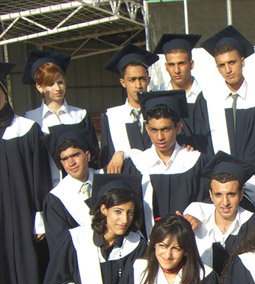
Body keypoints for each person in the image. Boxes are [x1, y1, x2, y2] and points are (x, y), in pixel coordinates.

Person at [1, 62, 52, 284]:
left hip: (21, 217)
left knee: (25, 272)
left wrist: (39, 218)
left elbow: (39, 178)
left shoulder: (25, 130)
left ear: (5, 93)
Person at [195, 25, 255, 185]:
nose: (228, 70)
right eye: (222, 65)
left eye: (232, 62)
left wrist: (245, 177)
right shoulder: (207, 99)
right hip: (220, 182)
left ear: (242, 61)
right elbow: (203, 144)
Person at [121, 90, 208, 235]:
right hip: (148, 242)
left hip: (190, 241)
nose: (160, 137)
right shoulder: (137, 165)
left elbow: (210, 199)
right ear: (147, 129)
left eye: (166, 129)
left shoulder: (196, 162)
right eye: (154, 130)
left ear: (178, 128)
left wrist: (197, 214)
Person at [22, 50, 100, 187]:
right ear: (39, 87)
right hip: (48, 185)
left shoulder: (79, 115)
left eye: (60, 82)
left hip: (82, 184)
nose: (58, 88)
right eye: (50, 84)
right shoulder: (31, 120)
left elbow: (93, 153)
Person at [181, 151, 255, 275]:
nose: (225, 202)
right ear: (210, 194)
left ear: (241, 194)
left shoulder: (254, 224)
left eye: (231, 194)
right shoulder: (196, 216)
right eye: (218, 195)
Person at [43, 124, 103, 251]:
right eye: (65, 159)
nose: (71, 163)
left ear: (87, 155)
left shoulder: (106, 178)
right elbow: (60, 246)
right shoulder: (56, 199)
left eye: (75, 155)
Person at [100, 43, 159, 173]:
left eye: (142, 79)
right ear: (123, 82)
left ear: (148, 80)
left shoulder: (159, 112)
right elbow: (107, 159)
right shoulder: (112, 117)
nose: (138, 85)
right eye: (132, 80)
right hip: (126, 180)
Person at [153, 33, 209, 153]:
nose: (177, 70)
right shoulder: (158, 96)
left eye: (181, 64)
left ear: (191, 64)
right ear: (166, 67)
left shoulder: (207, 95)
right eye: (172, 65)